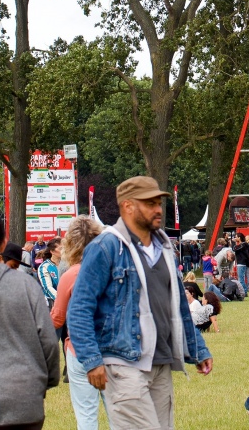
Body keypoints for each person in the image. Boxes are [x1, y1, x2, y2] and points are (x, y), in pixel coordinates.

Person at [67, 175, 212, 430]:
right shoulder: (106, 247)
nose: (158, 209)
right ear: (128, 206)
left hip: (161, 361)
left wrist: (197, 349)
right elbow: (79, 309)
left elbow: (177, 306)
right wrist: (91, 360)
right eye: (150, 203)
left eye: (158, 202)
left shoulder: (164, 247)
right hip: (123, 364)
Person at [0, 209, 59, 429]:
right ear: (3, 244)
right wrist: (46, 381)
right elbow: (49, 342)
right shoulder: (26, 286)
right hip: (23, 402)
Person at [50, 215, 107, 430]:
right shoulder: (112, 271)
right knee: (120, 417)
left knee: (86, 415)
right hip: (113, 349)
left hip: (80, 350)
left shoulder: (70, 275)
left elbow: (57, 318)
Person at [38, 236, 63, 308]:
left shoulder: (67, 264)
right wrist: (62, 300)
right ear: (52, 252)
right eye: (61, 248)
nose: (64, 250)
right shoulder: (44, 267)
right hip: (52, 304)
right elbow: (48, 287)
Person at [233, 232, 249, 297]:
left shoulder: (242, 245)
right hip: (246, 262)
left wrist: (235, 243)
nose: (235, 238)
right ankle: (246, 290)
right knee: (245, 276)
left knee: (241, 279)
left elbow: (235, 248)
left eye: (236, 237)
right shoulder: (246, 245)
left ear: (239, 238)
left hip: (241, 263)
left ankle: (244, 291)